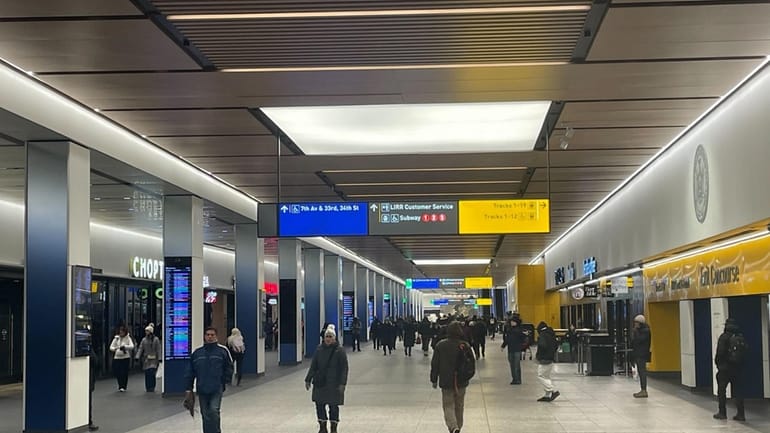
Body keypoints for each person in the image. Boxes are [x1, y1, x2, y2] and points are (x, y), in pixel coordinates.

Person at [185, 327, 234, 433]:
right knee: (205, 414)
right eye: (208, 335)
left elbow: (229, 367)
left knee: (213, 410)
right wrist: (188, 388)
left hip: (217, 387)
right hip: (202, 388)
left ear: (216, 336)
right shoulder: (197, 353)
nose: (210, 337)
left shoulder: (222, 351)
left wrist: (225, 381)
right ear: (204, 336)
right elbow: (190, 371)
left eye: (212, 335)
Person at [430, 321, 474, 433]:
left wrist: (434, 379)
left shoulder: (441, 345)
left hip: (446, 381)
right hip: (461, 381)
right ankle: (458, 426)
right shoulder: (465, 345)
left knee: (448, 405)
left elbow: (435, 364)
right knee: (459, 406)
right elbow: (471, 363)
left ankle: (453, 427)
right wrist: (468, 377)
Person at [305, 325, 349, 433]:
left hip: (334, 384)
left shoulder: (340, 351)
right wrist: (308, 379)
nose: (328, 339)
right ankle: (322, 426)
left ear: (334, 338)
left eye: (330, 336)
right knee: (319, 405)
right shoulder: (319, 350)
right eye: (326, 336)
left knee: (333, 407)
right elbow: (313, 366)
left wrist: (342, 383)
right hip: (320, 383)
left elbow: (344, 368)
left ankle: (334, 427)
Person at [713, 318, 745, 421]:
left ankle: (722, 413)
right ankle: (741, 414)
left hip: (725, 369)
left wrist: (719, 365)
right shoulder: (740, 337)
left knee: (722, 391)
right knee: (738, 391)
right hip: (737, 369)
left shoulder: (724, 337)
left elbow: (720, 353)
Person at [535, 321, 559, 402]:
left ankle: (552, 390)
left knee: (540, 375)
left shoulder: (543, 335)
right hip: (551, 357)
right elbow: (556, 345)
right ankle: (547, 395)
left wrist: (538, 356)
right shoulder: (551, 334)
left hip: (544, 358)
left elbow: (542, 346)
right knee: (546, 376)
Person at [136, 324, 162, 392]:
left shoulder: (156, 340)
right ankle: (148, 387)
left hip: (154, 359)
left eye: (147, 331)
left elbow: (158, 349)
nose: (146, 332)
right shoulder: (144, 340)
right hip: (146, 359)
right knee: (147, 373)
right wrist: (137, 356)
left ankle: (152, 386)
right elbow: (140, 348)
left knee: (152, 372)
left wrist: (159, 358)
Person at [631, 314, 651, 398]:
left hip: (642, 354)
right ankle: (642, 389)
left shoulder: (645, 331)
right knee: (640, 371)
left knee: (642, 372)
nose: (635, 324)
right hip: (638, 353)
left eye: (636, 323)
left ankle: (644, 390)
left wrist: (635, 332)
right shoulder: (641, 331)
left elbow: (638, 341)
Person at [109, 325, 134, 392]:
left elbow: (132, 346)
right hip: (117, 357)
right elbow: (111, 347)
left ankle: (123, 386)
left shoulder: (128, 338)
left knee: (124, 372)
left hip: (125, 357)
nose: (121, 332)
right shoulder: (116, 338)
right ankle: (120, 384)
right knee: (118, 372)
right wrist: (115, 349)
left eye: (122, 331)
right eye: (120, 331)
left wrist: (125, 347)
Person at [501, 317, 526, 385]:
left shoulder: (520, 330)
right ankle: (514, 379)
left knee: (516, 365)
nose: (512, 323)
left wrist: (523, 347)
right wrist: (503, 345)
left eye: (513, 321)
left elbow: (524, 339)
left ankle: (518, 379)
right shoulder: (509, 330)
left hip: (517, 350)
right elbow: (507, 339)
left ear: (516, 322)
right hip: (510, 349)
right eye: (511, 321)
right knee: (512, 365)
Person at [88, 341, 99, 431]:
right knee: (88, 402)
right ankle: (89, 421)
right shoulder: (88, 348)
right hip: (87, 379)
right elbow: (95, 360)